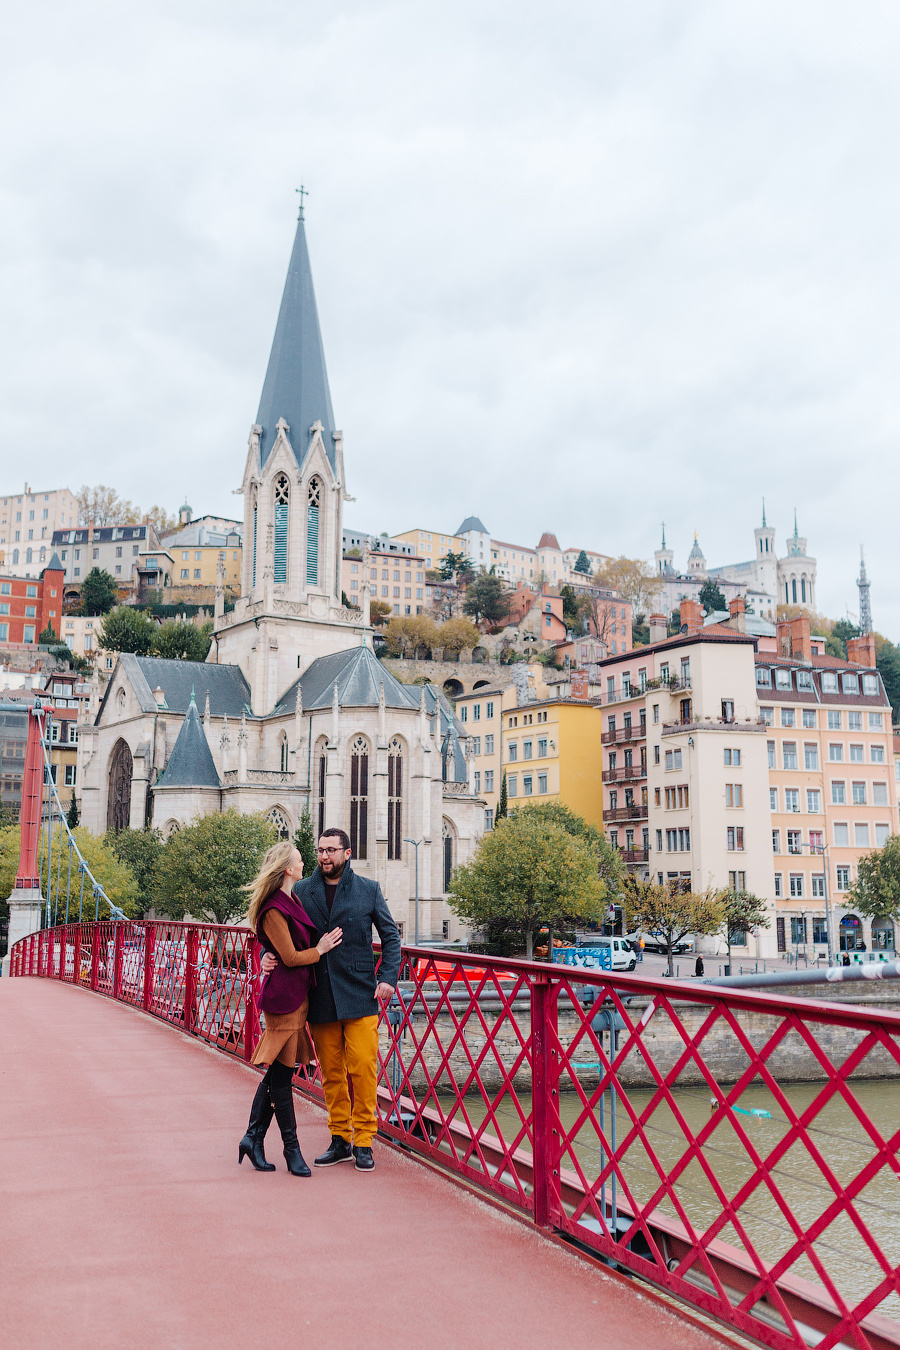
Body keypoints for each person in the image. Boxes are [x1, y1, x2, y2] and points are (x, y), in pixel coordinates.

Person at [261, 827, 401, 1172]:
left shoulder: (368, 889)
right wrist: (267, 954)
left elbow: (391, 936)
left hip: (360, 993)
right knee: (332, 1074)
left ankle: (364, 1141)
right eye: (320, 850)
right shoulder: (303, 891)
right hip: (319, 993)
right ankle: (340, 1139)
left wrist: (389, 979)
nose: (324, 856)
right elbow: (280, 927)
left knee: (364, 1070)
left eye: (331, 851)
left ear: (347, 853)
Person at [239, 841, 342, 1175]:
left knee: (278, 1074)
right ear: (288, 868)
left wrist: (264, 953)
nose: (305, 863)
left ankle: (252, 1139)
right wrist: (322, 948)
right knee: (282, 1078)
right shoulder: (273, 908)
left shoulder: (291, 899)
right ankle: (290, 1150)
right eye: (300, 860)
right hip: (284, 999)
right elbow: (290, 957)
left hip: (298, 997)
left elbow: (275, 948)